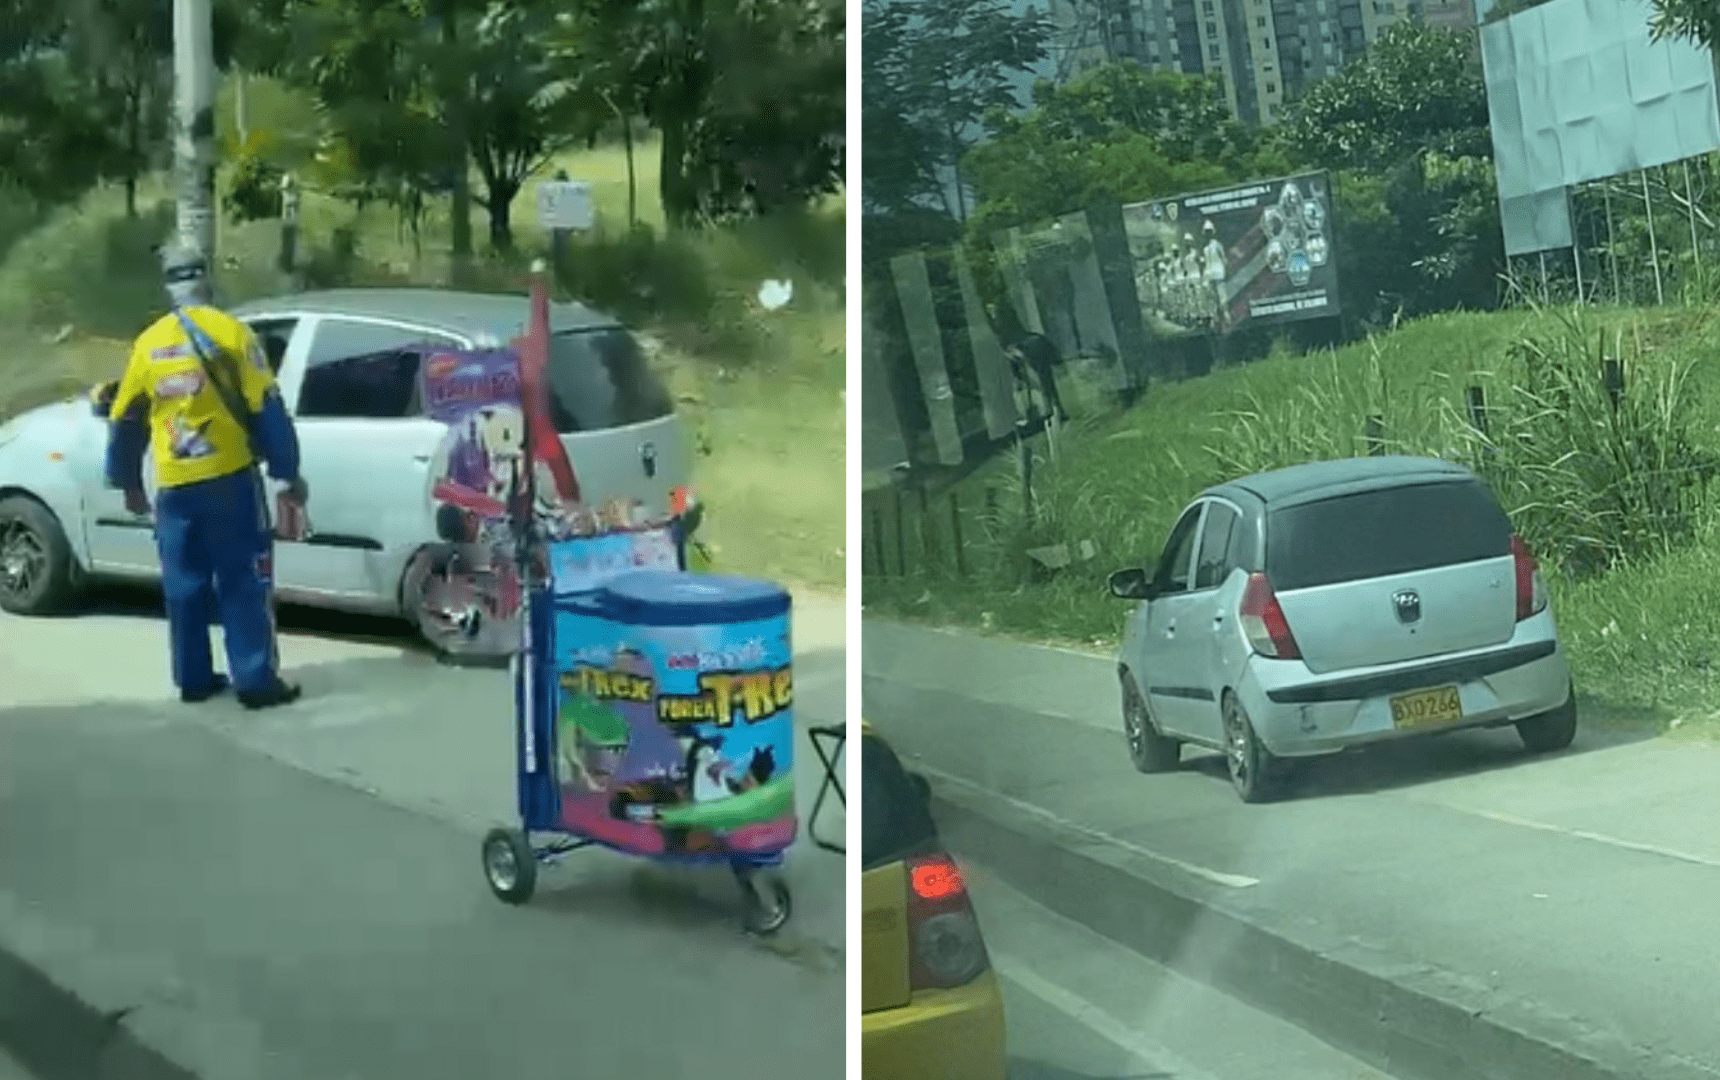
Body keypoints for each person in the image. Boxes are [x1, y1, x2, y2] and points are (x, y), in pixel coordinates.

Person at [106, 244, 307, 710]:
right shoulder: (233, 333)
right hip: (230, 481)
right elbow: (267, 406)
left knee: (183, 584)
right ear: (206, 279)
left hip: (174, 487)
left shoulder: (149, 343)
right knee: (244, 580)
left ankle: (194, 679)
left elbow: (125, 419)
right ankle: (255, 682)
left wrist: (129, 483)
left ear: (169, 285)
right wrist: (287, 471)